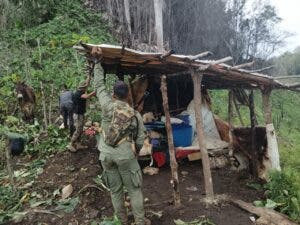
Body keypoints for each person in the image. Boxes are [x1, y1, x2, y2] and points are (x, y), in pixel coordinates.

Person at [91, 47, 150, 225]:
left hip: (106, 155)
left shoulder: (106, 105)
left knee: (115, 191)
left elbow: (99, 85)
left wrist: (97, 64)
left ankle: (122, 221)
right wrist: (137, 151)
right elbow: (140, 139)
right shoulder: (134, 114)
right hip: (125, 155)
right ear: (127, 96)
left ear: (114, 94)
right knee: (134, 190)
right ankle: (140, 221)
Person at [69, 79, 95, 152]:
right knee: (78, 130)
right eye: (85, 87)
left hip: (80, 113)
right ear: (82, 88)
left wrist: (89, 76)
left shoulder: (81, 91)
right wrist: (95, 91)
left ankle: (78, 144)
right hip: (77, 115)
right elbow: (87, 96)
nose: (86, 88)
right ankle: (70, 144)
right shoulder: (79, 93)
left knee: (80, 130)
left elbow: (87, 82)